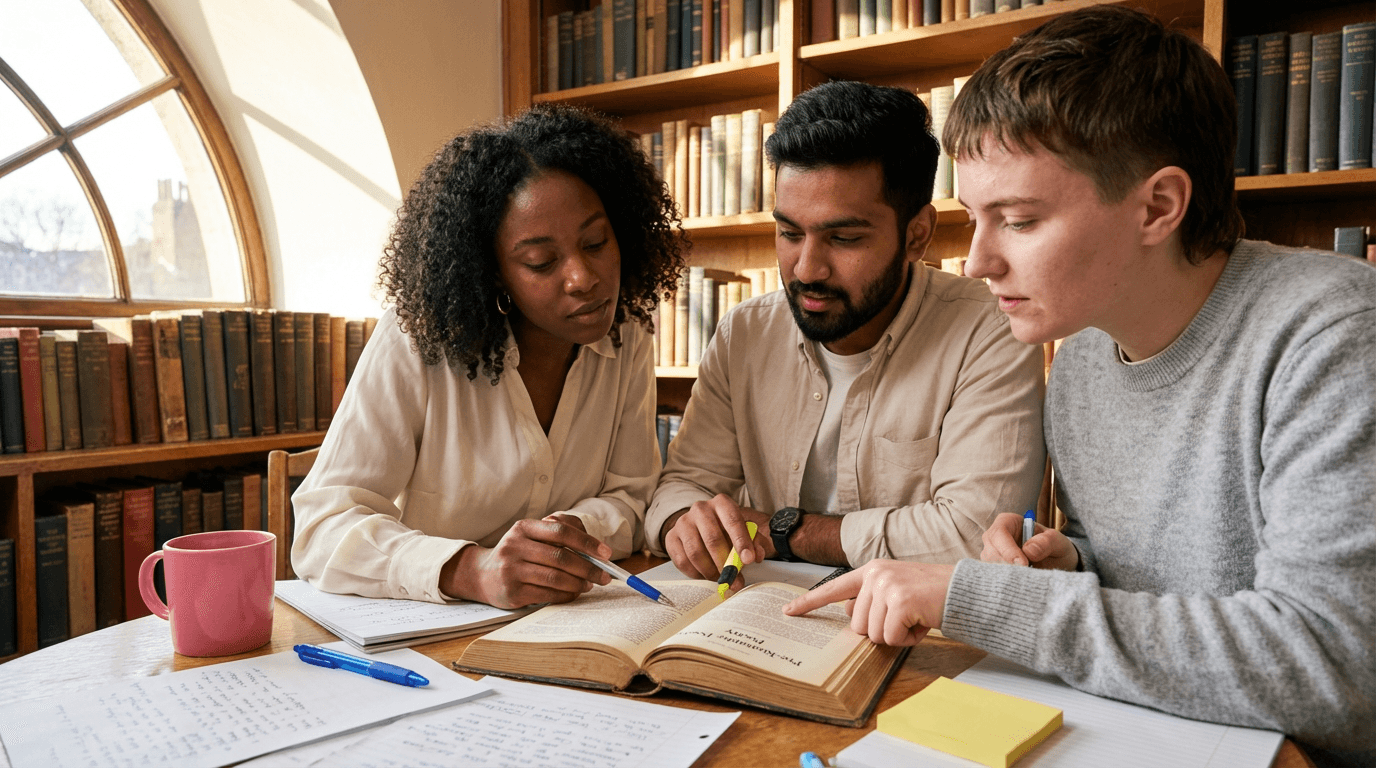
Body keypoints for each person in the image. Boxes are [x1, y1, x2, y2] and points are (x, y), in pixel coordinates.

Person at [784, 8, 1376, 766]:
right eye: (973, 219)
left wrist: (983, 598)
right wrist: (1069, 564)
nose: (976, 263)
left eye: (1020, 220)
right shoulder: (1085, 356)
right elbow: (1156, 580)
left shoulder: (1333, 337)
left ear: (1158, 206)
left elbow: (1336, 671)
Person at [646, 81, 1046, 585]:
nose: (807, 269)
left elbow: (976, 533)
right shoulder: (743, 333)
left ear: (916, 234)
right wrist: (685, 524)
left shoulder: (989, 328)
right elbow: (681, 486)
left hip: (911, 631)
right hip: (755, 616)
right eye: (790, 233)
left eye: (844, 238)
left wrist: (786, 532)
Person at [292, 104, 686, 610]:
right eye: (541, 262)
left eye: (595, 242)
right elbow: (322, 528)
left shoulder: (627, 334)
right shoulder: (419, 339)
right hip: (431, 639)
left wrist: (572, 534)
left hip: (567, 625)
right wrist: (470, 569)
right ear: (493, 271)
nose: (583, 278)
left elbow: (632, 496)